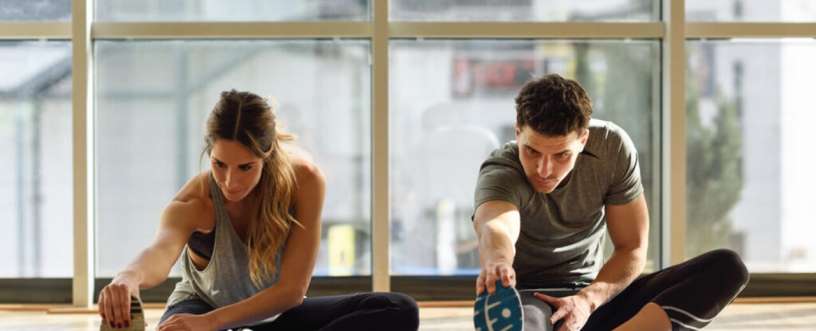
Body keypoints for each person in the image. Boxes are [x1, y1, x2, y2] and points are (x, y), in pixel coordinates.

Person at [97, 90, 419, 331]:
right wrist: (129, 277)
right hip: (199, 310)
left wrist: (214, 323)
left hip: (273, 316)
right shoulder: (196, 201)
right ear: (209, 153)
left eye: (245, 167)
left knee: (398, 309)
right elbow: (161, 251)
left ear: (266, 156)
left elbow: (291, 292)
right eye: (219, 164)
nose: (230, 182)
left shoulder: (305, 181)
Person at [472, 74, 749, 331]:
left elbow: (632, 248)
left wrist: (586, 301)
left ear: (583, 139)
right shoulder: (501, 170)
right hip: (530, 301)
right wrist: (498, 262)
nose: (544, 169)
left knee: (727, 268)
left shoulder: (611, 149)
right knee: (524, 323)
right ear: (518, 132)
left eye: (561, 156)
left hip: (595, 298)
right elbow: (498, 226)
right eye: (532, 151)